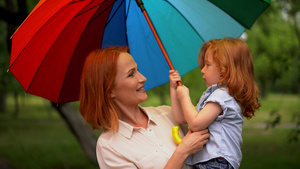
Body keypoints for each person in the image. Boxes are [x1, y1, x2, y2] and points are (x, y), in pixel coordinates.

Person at [79, 46, 210, 169]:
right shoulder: (109, 146)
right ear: (109, 91)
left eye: (137, 70)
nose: (143, 78)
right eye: (131, 74)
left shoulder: (167, 113)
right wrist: (182, 151)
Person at [169, 38, 261, 169]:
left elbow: (195, 124)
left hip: (216, 162)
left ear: (224, 69)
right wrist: (174, 89)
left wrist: (185, 97)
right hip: (211, 162)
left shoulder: (222, 96)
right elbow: (181, 118)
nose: (202, 70)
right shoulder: (215, 95)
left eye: (207, 64)